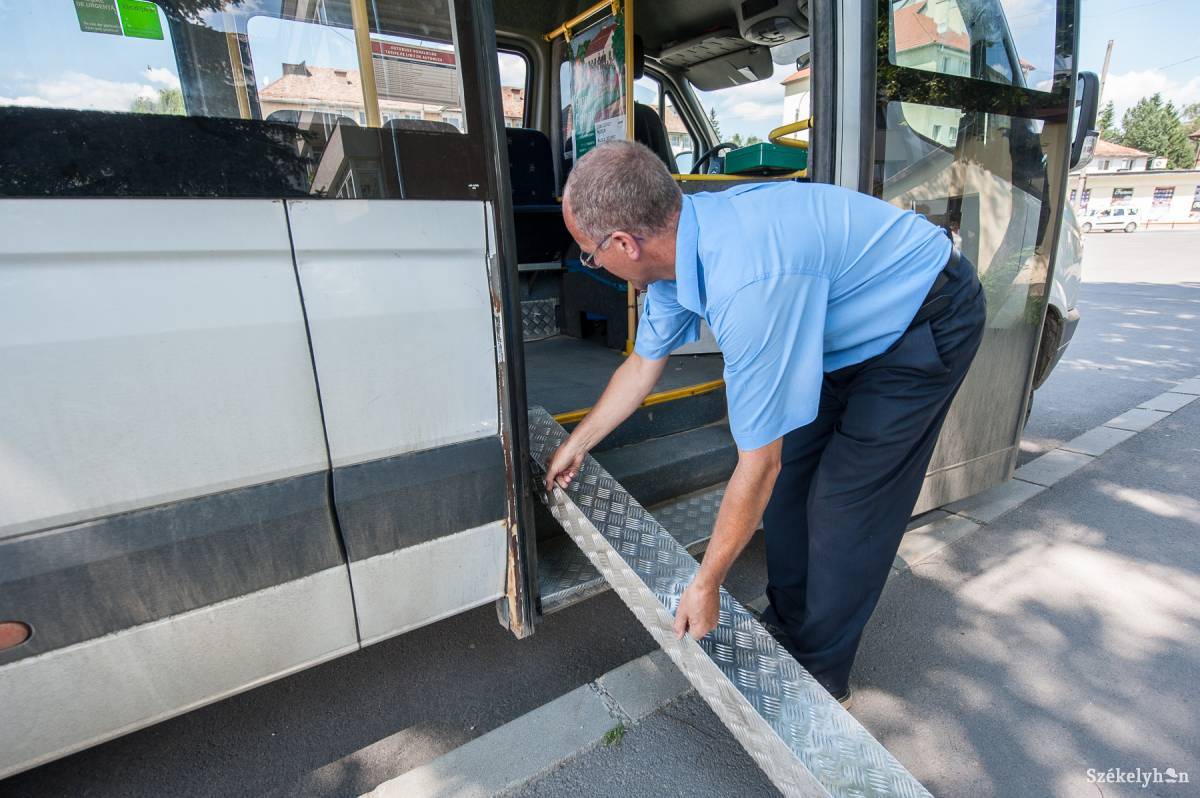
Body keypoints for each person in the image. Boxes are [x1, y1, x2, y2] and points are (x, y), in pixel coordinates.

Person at [543, 141, 986, 707]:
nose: (594, 264)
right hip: (834, 328)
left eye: (590, 254)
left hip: (922, 317)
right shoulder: (676, 257)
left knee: (845, 503)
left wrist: (706, 586)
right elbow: (641, 365)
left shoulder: (746, 285)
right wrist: (578, 443)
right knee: (794, 481)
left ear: (625, 244)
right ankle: (790, 620)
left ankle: (821, 674)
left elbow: (758, 464)